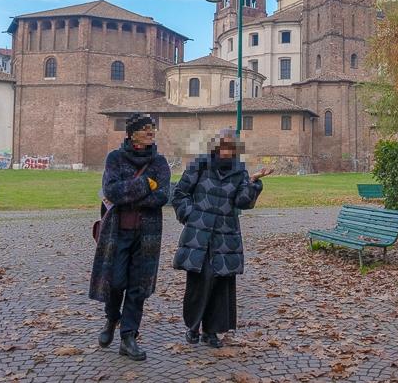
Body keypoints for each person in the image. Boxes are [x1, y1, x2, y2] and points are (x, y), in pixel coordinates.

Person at [170, 128, 273, 348]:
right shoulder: (200, 165)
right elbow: (180, 193)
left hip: (225, 236)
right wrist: (191, 215)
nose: (227, 151)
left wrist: (253, 183)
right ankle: (193, 326)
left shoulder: (239, 171)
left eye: (231, 147)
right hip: (200, 234)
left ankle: (212, 331)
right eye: (223, 146)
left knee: (220, 283)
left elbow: (242, 202)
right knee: (200, 281)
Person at [89, 113, 170, 361]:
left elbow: (163, 196)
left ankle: (128, 336)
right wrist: (146, 184)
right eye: (145, 129)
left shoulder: (160, 162)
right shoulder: (115, 158)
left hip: (147, 234)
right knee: (115, 282)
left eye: (152, 129)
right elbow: (112, 191)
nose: (151, 133)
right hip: (117, 232)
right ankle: (112, 318)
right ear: (132, 133)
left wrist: (133, 193)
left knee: (137, 287)